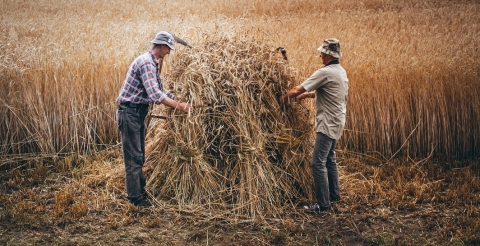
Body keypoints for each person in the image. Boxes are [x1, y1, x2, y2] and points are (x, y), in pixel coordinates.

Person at [116, 31, 192, 207]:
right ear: (162, 46)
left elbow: (160, 89)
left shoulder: (152, 63)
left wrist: (177, 98)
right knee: (134, 158)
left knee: (139, 155)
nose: (170, 52)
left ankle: (140, 191)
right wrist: (180, 107)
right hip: (130, 113)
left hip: (136, 113)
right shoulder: (146, 63)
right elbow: (156, 95)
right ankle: (135, 199)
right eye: (169, 48)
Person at [279, 38, 348, 212]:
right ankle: (334, 195)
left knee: (317, 162)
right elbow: (333, 94)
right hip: (338, 121)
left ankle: (323, 204)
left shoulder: (324, 72)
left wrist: (283, 98)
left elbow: (296, 89)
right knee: (330, 159)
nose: (320, 55)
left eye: (322, 52)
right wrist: (309, 96)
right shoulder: (340, 71)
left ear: (328, 54)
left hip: (327, 123)